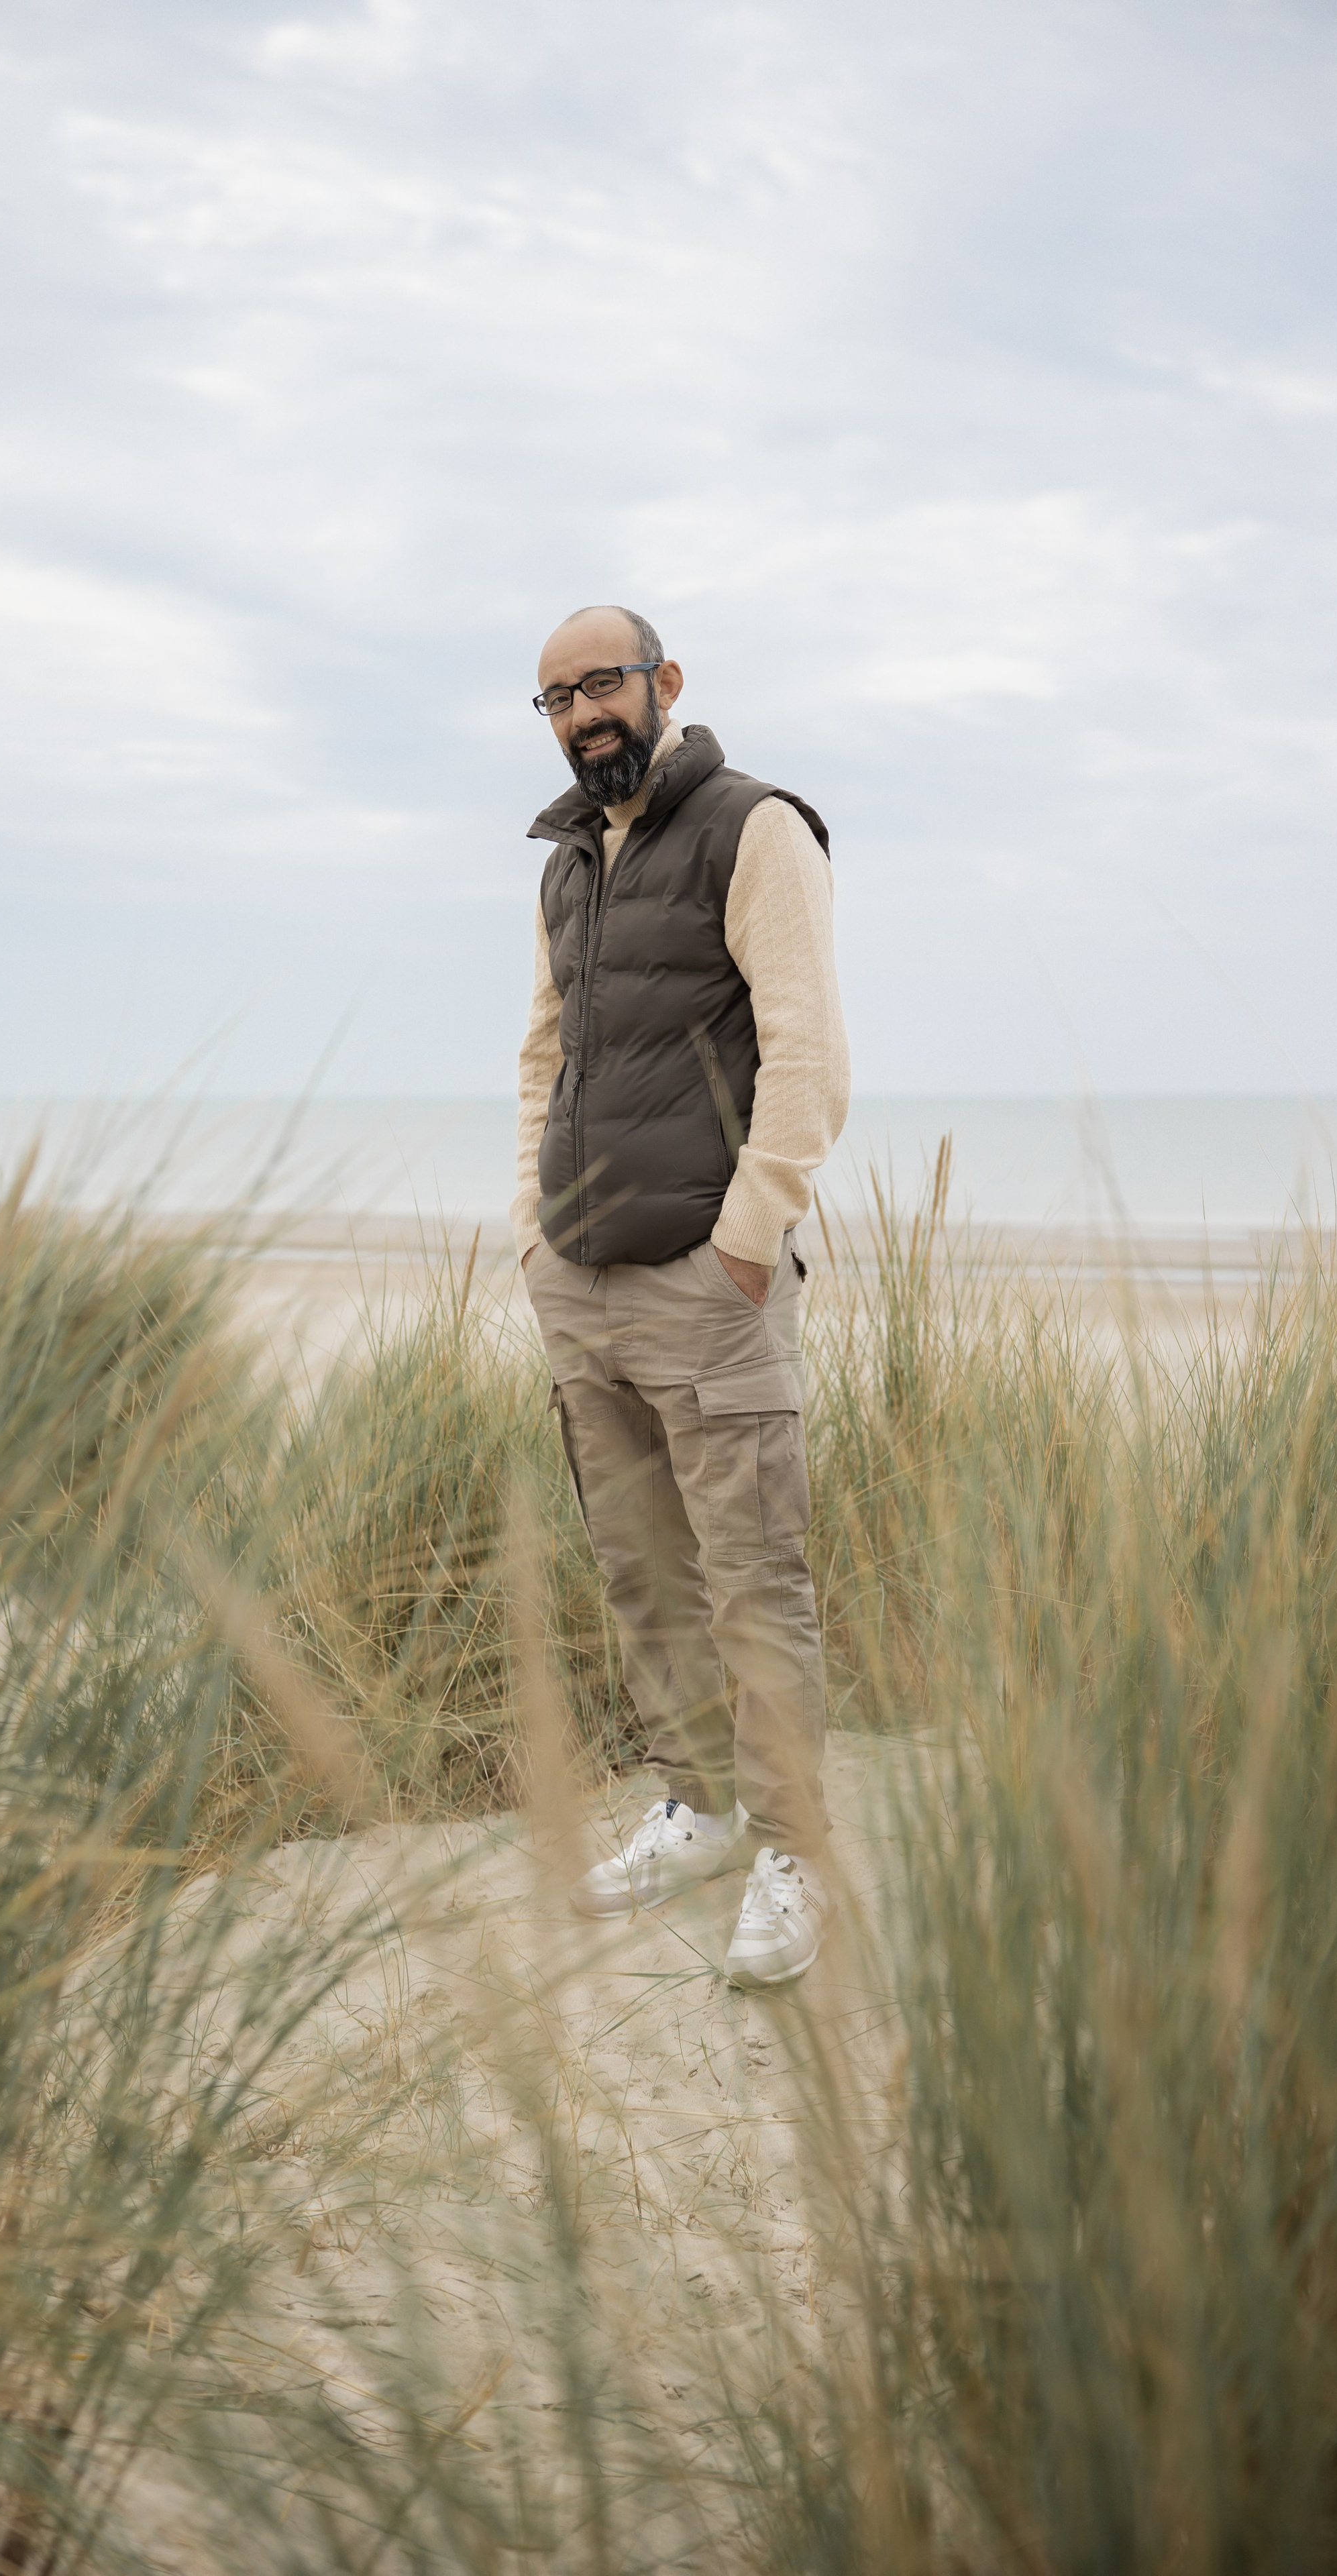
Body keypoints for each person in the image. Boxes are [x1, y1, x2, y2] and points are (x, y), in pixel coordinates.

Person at [513, 604, 851, 1984]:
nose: (583, 712)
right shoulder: (564, 869)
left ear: (663, 683)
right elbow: (542, 1054)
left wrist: (746, 1241)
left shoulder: (753, 827)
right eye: (554, 698)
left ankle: (791, 1853)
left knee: (751, 1583)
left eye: (602, 683)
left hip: (705, 1289)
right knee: (641, 1575)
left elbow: (806, 1050)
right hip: (578, 1283)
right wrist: (530, 1230)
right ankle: (699, 1810)